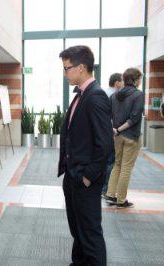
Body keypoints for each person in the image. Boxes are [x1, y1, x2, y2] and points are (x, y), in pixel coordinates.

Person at [57, 45, 113, 266]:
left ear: (81, 68)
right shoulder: (81, 94)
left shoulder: (96, 96)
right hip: (73, 176)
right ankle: (78, 262)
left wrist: (88, 176)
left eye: (67, 68)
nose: (64, 73)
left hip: (85, 179)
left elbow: (105, 143)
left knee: (90, 232)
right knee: (77, 227)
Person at [104, 68, 144, 208]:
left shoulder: (115, 95)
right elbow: (134, 118)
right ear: (134, 80)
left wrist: (114, 130)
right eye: (139, 78)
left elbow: (106, 115)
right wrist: (119, 129)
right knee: (126, 168)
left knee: (117, 165)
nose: (140, 81)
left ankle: (110, 195)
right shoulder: (138, 95)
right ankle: (121, 200)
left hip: (117, 137)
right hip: (131, 137)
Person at [102, 73, 124, 195]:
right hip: (111, 134)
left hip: (104, 133)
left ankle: (103, 188)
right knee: (112, 162)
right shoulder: (114, 96)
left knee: (106, 161)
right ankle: (106, 190)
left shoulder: (105, 93)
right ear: (116, 83)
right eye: (122, 82)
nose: (124, 84)